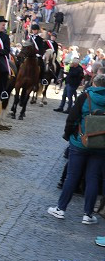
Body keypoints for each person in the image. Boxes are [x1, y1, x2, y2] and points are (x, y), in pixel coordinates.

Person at [48, 71, 105, 226]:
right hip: (101, 146)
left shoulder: (84, 97)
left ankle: (61, 209)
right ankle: (87, 215)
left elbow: (72, 119)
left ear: (94, 84)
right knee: (93, 178)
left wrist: (68, 136)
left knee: (72, 176)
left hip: (80, 142)